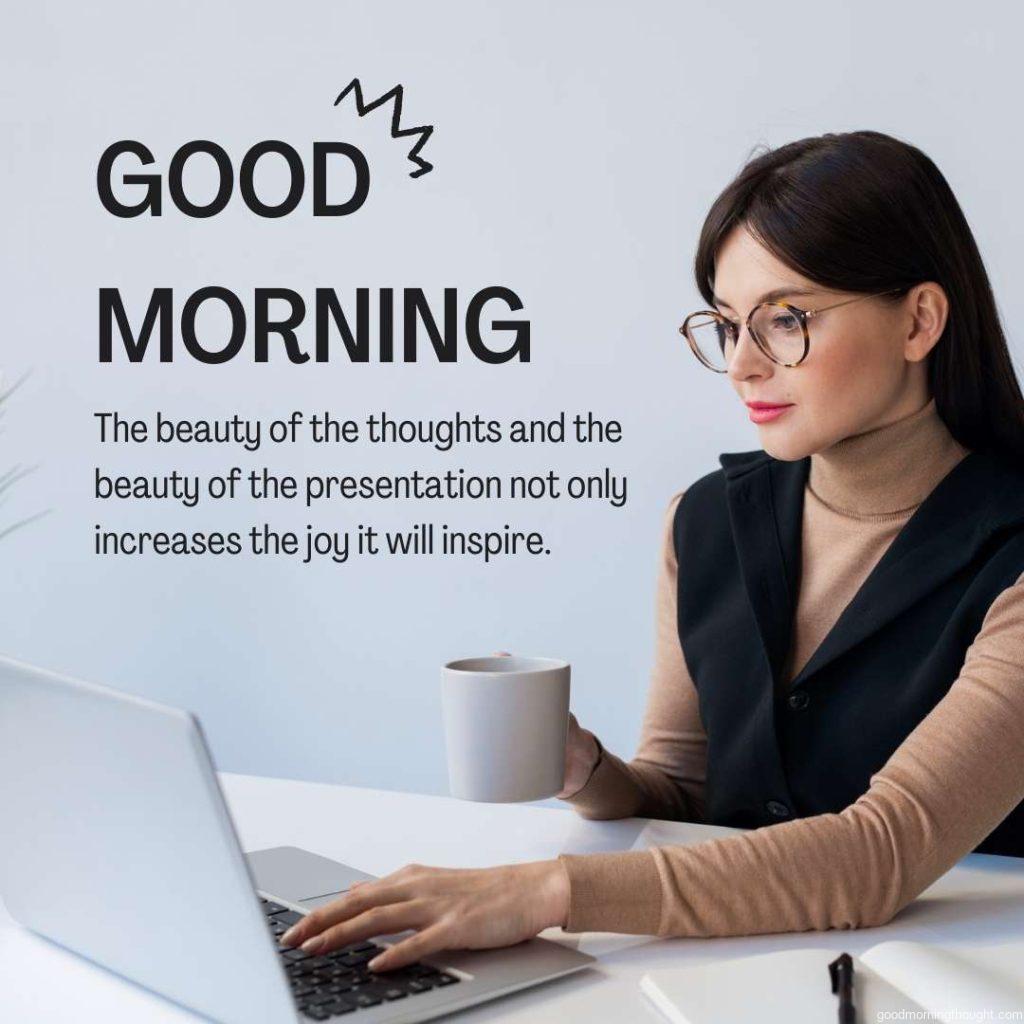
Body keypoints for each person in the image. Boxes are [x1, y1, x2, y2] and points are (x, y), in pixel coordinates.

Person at [279, 130, 1024, 973]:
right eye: (726, 324)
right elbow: (690, 788)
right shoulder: (705, 521)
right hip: (707, 978)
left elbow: (880, 853)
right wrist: (586, 771)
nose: (741, 364)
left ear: (920, 320)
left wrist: (549, 892)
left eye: (786, 320)